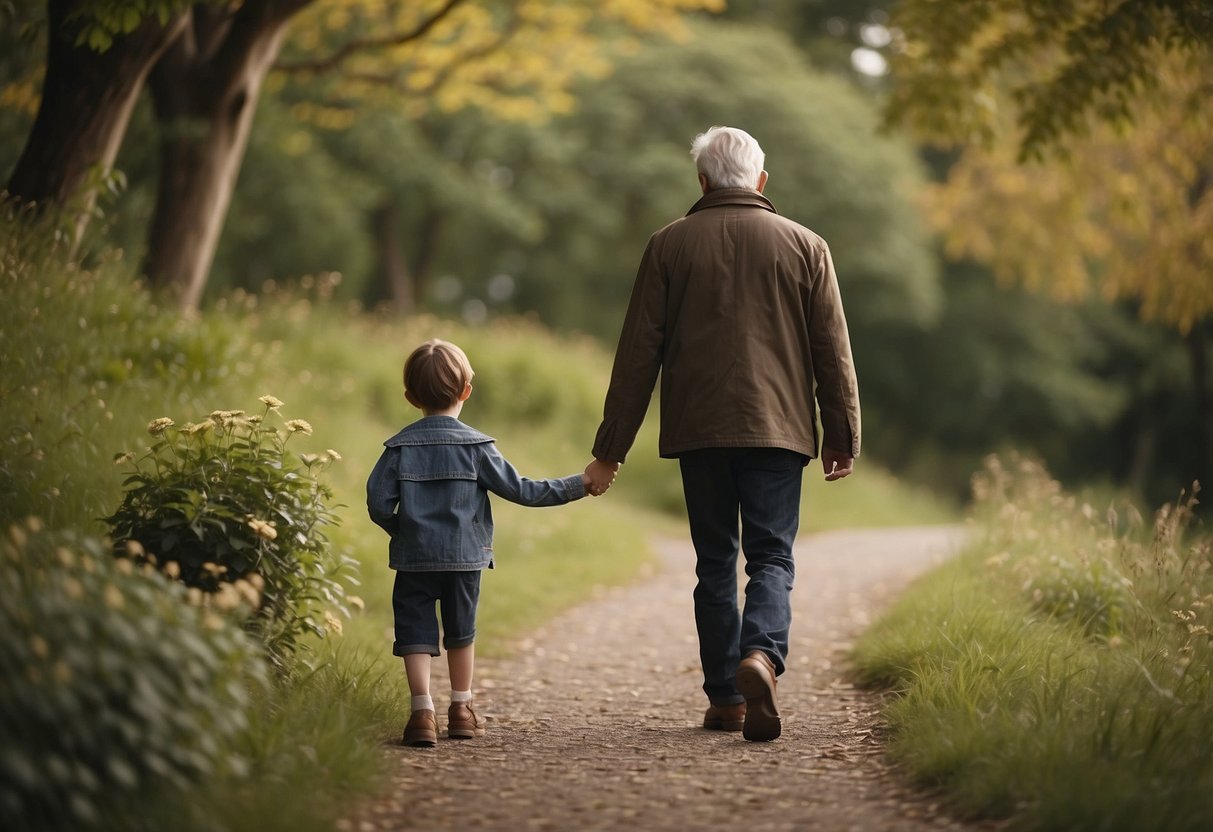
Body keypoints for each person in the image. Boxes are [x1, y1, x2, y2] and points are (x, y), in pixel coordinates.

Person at [584, 126, 861, 742]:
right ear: (761, 181)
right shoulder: (806, 245)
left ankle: (728, 699)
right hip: (780, 431)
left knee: (715, 561)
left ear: (703, 181)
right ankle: (760, 655)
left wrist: (609, 452)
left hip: (699, 430)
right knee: (771, 557)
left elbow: (637, 357)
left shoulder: (668, 246)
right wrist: (841, 433)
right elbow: (832, 352)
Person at [368, 338, 604, 748]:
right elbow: (526, 491)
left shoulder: (398, 448)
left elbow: (377, 503)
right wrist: (580, 484)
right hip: (464, 561)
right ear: (466, 392)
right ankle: (461, 708)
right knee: (461, 632)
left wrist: (404, 532)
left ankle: (421, 713)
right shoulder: (478, 448)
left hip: (414, 560)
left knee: (415, 633)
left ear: (410, 397)